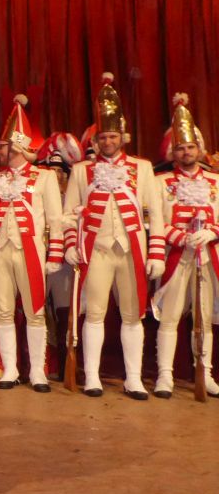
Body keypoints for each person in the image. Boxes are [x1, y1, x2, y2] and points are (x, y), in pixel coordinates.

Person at [63, 73, 164, 399]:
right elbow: (68, 215)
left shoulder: (142, 168)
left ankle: (133, 379)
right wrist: (69, 245)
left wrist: (157, 253)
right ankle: (92, 376)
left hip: (131, 250)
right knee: (94, 314)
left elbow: (156, 214)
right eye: (103, 137)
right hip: (96, 251)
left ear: (122, 137)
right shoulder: (81, 171)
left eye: (112, 136)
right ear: (96, 140)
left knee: (133, 315)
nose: (108, 142)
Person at [0, 95, 63, 392]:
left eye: (2, 146)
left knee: (34, 312)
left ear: (15, 146)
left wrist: (55, 254)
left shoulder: (44, 178)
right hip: (1, 250)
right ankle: (10, 369)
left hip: (31, 251)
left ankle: (38, 371)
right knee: (3, 311)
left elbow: (55, 219)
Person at [152, 94, 219, 398]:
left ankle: (204, 373)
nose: (186, 152)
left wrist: (212, 232)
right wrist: (179, 237)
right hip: (176, 256)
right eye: (180, 147)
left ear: (199, 149)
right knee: (170, 317)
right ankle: (164, 376)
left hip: (207, 256)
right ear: (173, 151)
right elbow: (153, 220)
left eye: (191, 146)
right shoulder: (160, 182)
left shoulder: (216, 181)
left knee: (203, 320)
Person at [36, 131, 82, 381]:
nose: (54, 175)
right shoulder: (37, 195)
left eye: (58, 171)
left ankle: (67, 367)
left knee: (65, 315)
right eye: (50, 171)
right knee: (35, 313)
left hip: (64, 262)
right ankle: (38, 366)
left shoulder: (70, 198)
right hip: (38, 258)